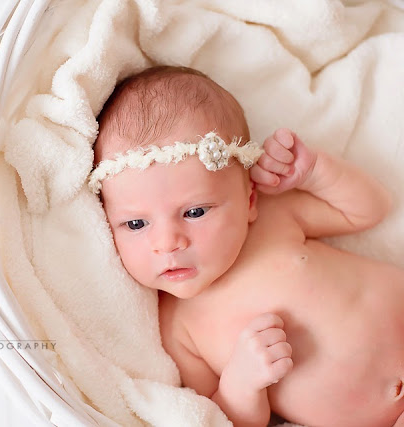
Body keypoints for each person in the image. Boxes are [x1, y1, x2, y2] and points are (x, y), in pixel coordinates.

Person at [89, 65, 404, 427]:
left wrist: (316, 172)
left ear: (249, 199)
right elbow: (226, 418)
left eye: (194, 212)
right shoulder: (179, 328)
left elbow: (370, 209)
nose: (168, 242)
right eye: (136, 224)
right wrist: (241, 384)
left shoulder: (272, 220)